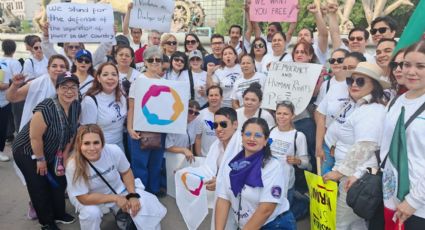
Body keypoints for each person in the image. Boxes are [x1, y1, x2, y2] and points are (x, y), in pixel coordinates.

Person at [322, 62, 390, 230]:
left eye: (360, 81)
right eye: (350, 81)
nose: (353, 84)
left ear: (374, 85)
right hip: (353, 176)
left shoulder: (372, 110)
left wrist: (340, 172)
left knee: (341, 224)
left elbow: (366, 146)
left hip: (354, 178)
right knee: (354, 224)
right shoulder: (363, 107)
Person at [12, 72, 81, 230]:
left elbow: (72, 132)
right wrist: (41, 160)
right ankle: (46, 222)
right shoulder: (45, 108)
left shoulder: (76, 104)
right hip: (28, 150)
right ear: (57, 89)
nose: (69, 91)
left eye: (73, 87)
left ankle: (59, 213)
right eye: (64, 87)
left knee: (59, 180)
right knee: (39, 185)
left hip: (53, 150)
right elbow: (35, 138)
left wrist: (64, 155)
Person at [66, 124, 166, 230]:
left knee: (142, 203)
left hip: (115, 189)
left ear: (102, 143)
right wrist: (116, 198)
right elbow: (84, 198)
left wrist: (132, 195)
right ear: (79, 145)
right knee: (91, 213)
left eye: (96, 142)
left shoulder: (113, 150)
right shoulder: (73, 165)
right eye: (86, 143)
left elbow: (126, 172)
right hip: (88, 196)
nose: (92, 148)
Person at [215, 118, 295, 230]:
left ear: (266, 140)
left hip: (274, 225)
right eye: (248, 134)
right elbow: (223, 199)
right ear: (241, 137)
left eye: (258, 135)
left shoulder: (272, 166)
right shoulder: (232, 165)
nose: (252, 138)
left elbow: (266, 209)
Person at [381, 40, 425, 230]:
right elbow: (384, 147)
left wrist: (414, 201)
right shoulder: (397, 101)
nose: (411, 71)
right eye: (406, 64)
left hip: (418, 206)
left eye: (420, 66)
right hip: (391, 197)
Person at [315, 52, 366, 175]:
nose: (348, 71)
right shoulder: (335, 87)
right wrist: (319, 146)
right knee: (324, 188)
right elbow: (320, 115)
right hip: (328, 146)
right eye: (345, 68)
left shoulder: (368, 92)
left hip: (350, 154)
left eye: (352, 67)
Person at [127, 46, 166, 195]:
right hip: (140, 130)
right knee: (140, 166)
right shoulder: (138, 81)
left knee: (156, 164)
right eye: (151, 59)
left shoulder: (164, 82)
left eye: (158, 59)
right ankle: (141, 196)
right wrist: (130, 128)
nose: (155, 62)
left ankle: (153, 193)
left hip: (159, 129)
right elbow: (132, 107)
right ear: (145, 62)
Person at [270, 101, 311, 220]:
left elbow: (306, 164)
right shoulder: (270, 130)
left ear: (293, 116)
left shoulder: (298, 136)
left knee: (283, 214)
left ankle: (303, 205)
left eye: (285, 114)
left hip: (286, 182)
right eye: (279, 113)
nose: (281, 117)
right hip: (269, 179)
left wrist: (297, 161)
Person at [6, 54, 69, 131]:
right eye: (54, 66)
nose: (58, 69)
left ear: (67, 70)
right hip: (33, 131)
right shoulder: (37, 83)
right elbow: (11, 98)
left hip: (58, 132)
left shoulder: (71, 87)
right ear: (48, 69)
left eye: (62, 66)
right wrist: (15, 85)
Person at [80, 62, 127, 150]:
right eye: (105, 75)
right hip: (101, 148)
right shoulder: (90, 100)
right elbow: (87, 131)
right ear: (98, 78)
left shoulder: (121, 95)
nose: (110, 78)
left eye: (114, 74)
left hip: (120, 145)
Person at [194, 85, 223, 156]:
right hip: (205, 157)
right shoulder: (200, 115)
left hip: (222, 156)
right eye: (211, 95)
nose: (214, 98)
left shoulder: (227, 115)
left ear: (221, 98)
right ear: (207, 98)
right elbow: (198, 138)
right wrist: (199, 156)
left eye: (216, 95)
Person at [0, 66, 11, 161]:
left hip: (3, 104)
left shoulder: (2, 71)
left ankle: (0, 151)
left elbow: (3, 86)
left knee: (2, 129)